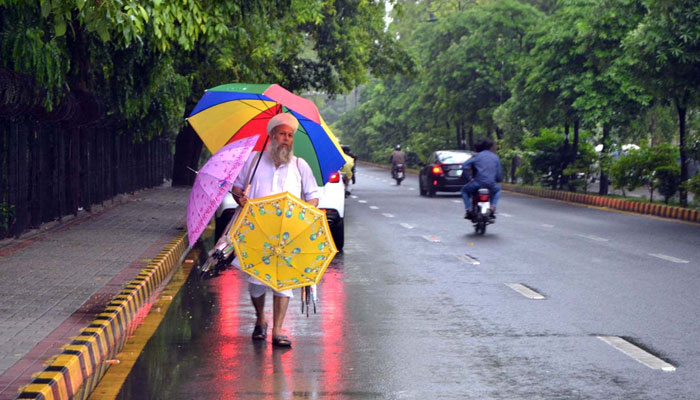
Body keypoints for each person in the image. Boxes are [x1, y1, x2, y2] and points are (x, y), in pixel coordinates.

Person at [231, 113, 320, 348]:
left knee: (284, 283)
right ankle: (261, 319)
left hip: (288, 234)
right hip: (256, 231)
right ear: (271, 136)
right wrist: (240, 198)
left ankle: (278, 330)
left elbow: (313, 197)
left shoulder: (300, 165)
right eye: (282, 134)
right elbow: (237, 188)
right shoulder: (253, 161)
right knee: (256, 281)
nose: (287, 139)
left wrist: (303, 213)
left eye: (290, 136)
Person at [461, 139, 502, 219]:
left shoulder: (477, 156)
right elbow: (499, 174)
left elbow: (465, 166)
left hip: (477, 183)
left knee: (464, 190)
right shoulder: (495, 157)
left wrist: (469, 178)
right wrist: (497, 180)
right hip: (491, 184)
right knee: (497, 190)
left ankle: (468, 209)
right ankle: (492, 207)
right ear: (490, 147)